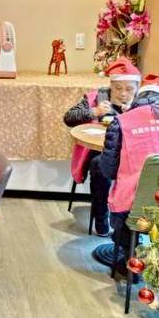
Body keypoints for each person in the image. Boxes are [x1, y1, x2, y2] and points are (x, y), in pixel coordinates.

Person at [93, 73, 159, 272]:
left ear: (139, 94)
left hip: (132, 205)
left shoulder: (122, 121)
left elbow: (108, 169)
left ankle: (130, 260)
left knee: (124, 210)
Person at [63, 58, 140, 237]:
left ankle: (129, 220)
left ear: (137, 89)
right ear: (110, 86)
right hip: (102, 151)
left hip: (132, 155)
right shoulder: (97, 98)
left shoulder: (141, 104)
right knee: (98, 165)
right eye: (118, 88)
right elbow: (69, 118)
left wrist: (133, 114)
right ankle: (101, 216)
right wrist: (95, 112)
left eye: (129, 89)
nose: (123, 94)